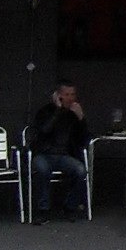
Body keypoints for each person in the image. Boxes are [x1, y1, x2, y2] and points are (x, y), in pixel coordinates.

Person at [25, 81, 91, 221]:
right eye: (66, 94)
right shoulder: (46, 111)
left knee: (80, 170)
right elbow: (43, 130)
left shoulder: (73, 114)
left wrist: (81, 119)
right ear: (58, 96)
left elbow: (84, 138)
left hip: (64, 156)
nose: (70, 98)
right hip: (44, 154)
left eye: (72, 94)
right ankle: (43, 210)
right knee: (42, 170)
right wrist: (58, 111)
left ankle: (70, 206)